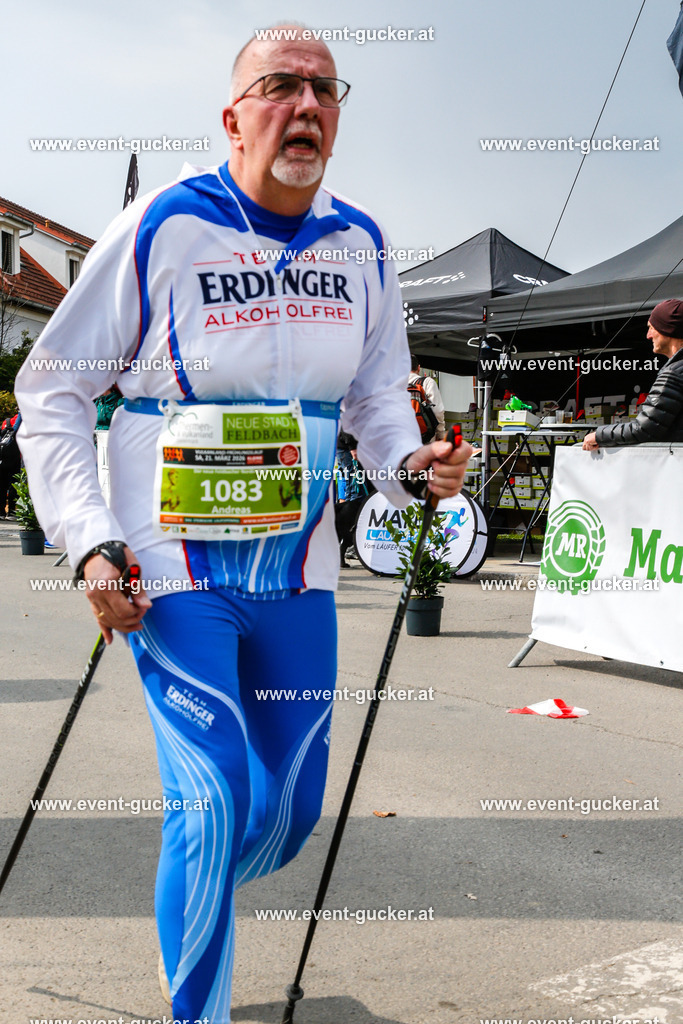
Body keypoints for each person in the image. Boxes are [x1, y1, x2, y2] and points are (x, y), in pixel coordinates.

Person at [15, 26, 472, 1024]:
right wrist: (89, 537)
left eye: (323, 90)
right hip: (171, 570)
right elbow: (48, 389)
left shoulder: (360, 244)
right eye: (278, 87)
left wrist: (408, 464)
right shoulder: (162, 227)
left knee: (289, 809)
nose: (304, 105)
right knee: (212, 799)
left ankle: (202, 869)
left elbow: (375, 400)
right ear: (233, 116)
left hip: (298, 574)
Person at [583, 299, 683, 450]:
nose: (648, 335)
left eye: (651, 328)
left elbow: (645, 428)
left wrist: (599, 435)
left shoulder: (674, 373)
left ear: (668, 329)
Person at [409, 353, 446, 441]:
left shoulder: (394, 385)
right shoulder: (427, 382)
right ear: (418, 368)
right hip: (424, 437)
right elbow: (437, 411)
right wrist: (440, 434)